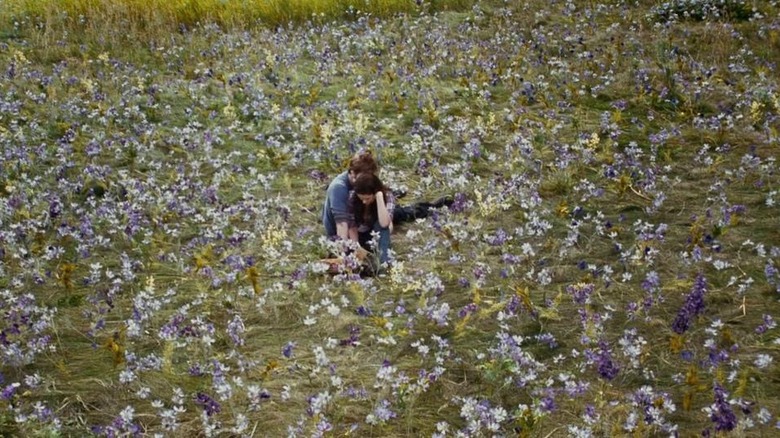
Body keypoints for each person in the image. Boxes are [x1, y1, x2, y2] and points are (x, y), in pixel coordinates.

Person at [322, 151, 378, 240]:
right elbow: (341, 223)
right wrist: (344, 247)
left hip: (361, 220)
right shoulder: (339, 188)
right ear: (352, 173)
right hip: (345, 229)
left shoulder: (365, 182)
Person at [348, 173, 395, 268]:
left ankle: (383, 264)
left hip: (376, 233)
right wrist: (357, 247)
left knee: (382, 227)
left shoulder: (387, 196)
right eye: (361, 199)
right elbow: (351, 225)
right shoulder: (352, 197)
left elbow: (385, 224)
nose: (364, 202)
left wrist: (379, 197)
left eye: (367, 198)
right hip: (358, 234)